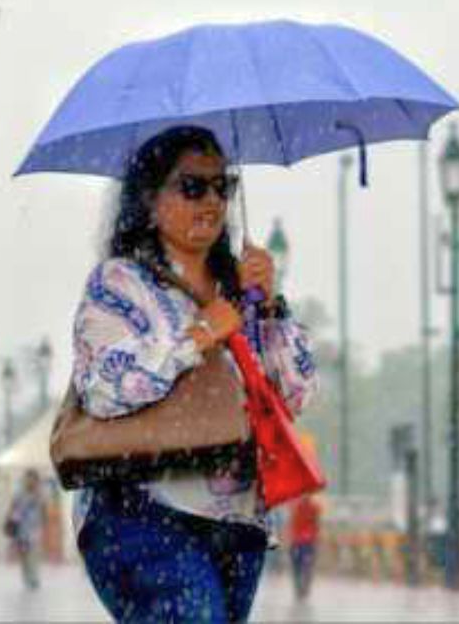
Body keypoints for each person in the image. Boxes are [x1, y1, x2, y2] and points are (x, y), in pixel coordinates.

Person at [71, 126, 319, 623]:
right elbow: (103, 387)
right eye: (192, 187)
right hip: (143, 514)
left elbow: (298, 392)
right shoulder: (120, 282)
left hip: (239, 519)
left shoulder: (240, 290)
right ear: (148, 197)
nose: (211, 201)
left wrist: (269, 305)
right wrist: (199, 336)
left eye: (222, 186)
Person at [5, 469, 48, 590]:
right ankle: (26, 576)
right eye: (28, 478)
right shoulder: (19, 493)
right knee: (23, 554)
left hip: (35, 529)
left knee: (33, 553)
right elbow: (12, 507)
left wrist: (44, 524)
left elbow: (44, 510)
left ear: (37, 480)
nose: (30, 481)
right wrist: (8, 521)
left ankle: (34, 578)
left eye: (33, 479)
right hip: (20, 529)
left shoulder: (41, 494)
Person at [287, 494, 322, 602]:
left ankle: (299, 588)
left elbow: (292, 523)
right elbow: (317, 524)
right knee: (306, 566)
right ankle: (303, 588)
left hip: (298, 541)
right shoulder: (314, 507)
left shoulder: (294, 505)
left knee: (297, 567)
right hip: (307, 541)